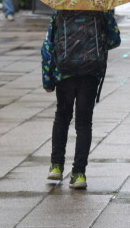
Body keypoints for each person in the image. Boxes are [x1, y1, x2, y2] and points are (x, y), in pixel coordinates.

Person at [41, 10, 121, 189]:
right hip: (91, 73)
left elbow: (48, 47)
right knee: (84, 123)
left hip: (64, 73)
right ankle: (78, 174)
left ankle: (56, 166)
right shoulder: (102, 11)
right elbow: (114, 40)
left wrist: (47, 79)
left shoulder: (59, 12)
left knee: (62, 117)